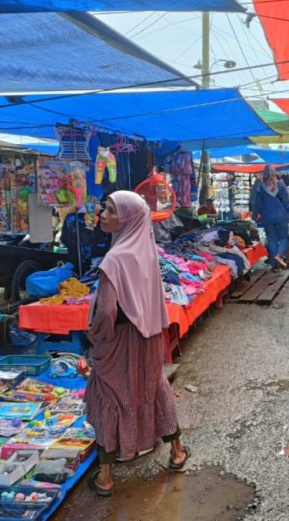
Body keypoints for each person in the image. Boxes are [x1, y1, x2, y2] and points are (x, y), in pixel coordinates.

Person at [84, 191, 188, 497]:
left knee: (109, 394)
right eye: (105, 208)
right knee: (153, 388)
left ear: (128, 219)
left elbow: (105, 311)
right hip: (147, 338)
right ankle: (178, 452)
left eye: (112, 211)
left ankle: (105, 476)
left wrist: (96, 335)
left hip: (119, 342)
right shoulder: (146, 250)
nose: (103, 214)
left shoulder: (114, 260)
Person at [253, 165, 289, 271]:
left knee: (271, 240)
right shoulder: (280, 184)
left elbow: (257, 204)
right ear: (274, 173)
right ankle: (279, 255)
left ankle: (275, 266)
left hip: (268, 218)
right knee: (284, 238)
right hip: (282, 217)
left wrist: (255, 216)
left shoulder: (261, 187)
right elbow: (286, 202)